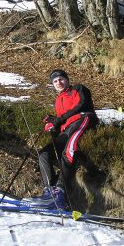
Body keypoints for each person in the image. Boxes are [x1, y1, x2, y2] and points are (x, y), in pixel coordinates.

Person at [27, 69, 98, 209]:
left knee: (69, 151)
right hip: (66, 129)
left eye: (61, 79)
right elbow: (62, 121)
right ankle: (49, 192)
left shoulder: (78, 89)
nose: (58, 82)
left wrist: (58, 120)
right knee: (44, 154)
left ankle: (59, 193)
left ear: (67, 80)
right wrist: (53, 123)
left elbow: (81, 106)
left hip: (83, 119)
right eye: (55, 81)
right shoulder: (58, 100)